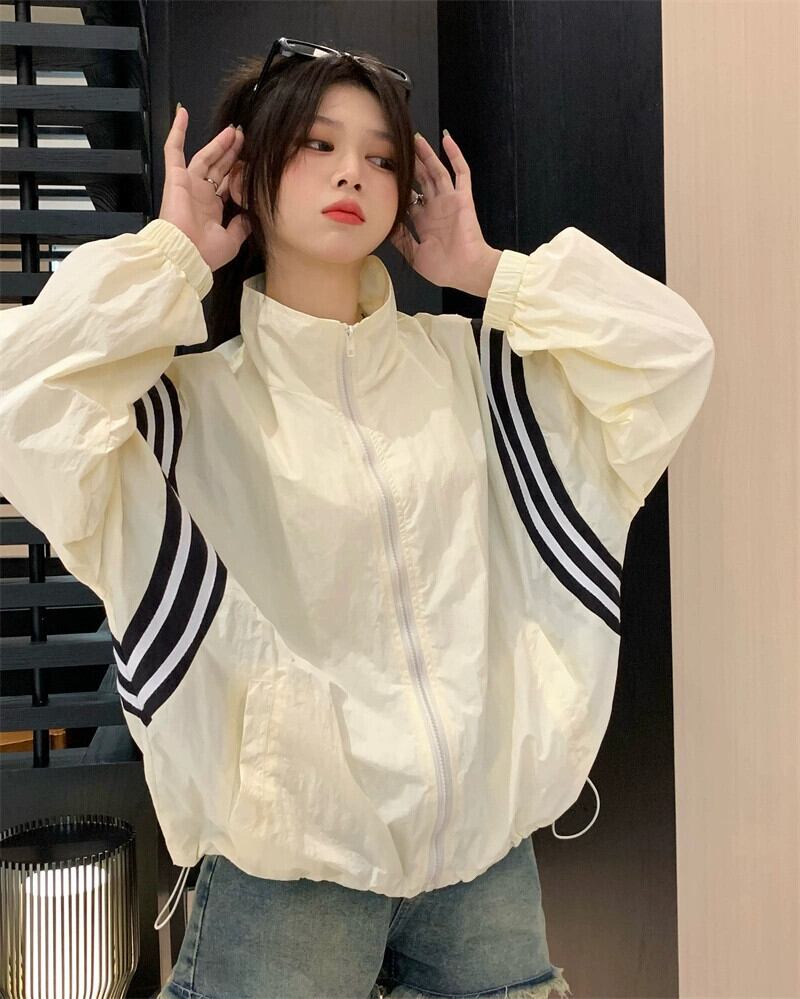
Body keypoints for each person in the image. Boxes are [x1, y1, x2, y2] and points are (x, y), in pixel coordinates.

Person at [0, 37, 715, 999]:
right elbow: (20, 403)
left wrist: (488, 270)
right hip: (289, 881)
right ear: (247, 170)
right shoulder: (181, 411)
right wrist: (171, 258)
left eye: (381, 156)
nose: (353, 174)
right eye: (317, 144)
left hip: (482, 868)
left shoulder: (477, 371)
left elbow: (673, 356)